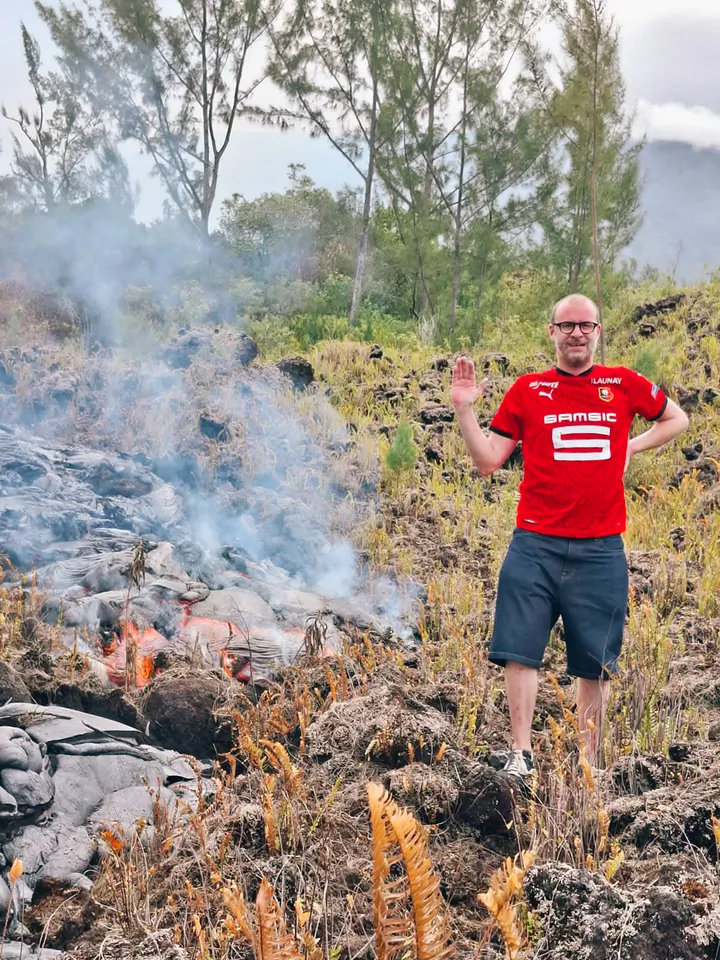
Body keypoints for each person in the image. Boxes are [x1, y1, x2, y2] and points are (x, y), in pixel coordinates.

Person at [450, 293, 689, 785]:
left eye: (586, 325)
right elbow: (487, 461)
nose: (576, 333)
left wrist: (630, 444)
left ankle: (588, 762)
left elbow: (677, 418)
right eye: (567, 325)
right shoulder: (529, 390)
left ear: (598, 331)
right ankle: (521, 753)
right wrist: (464, 411)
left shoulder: (621, 383)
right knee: (518, 648)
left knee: (594, 660)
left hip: (601, 547)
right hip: (534, 544)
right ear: (552, 332)